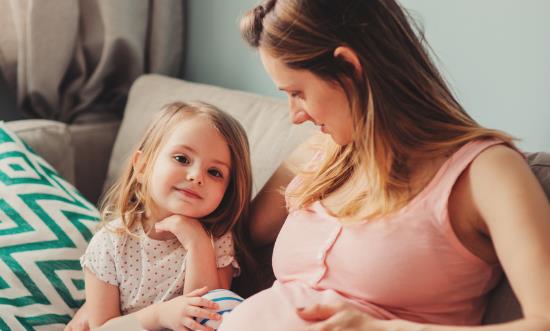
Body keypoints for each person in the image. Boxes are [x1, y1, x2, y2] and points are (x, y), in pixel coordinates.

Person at [217, 0, 550, 330]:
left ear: (348, 67)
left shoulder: (486, 173)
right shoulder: (319, 153)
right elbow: (232, 236)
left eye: (298, 92)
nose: (295, 114)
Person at [79, 101, 252, 330]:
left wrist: (197, 243)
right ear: (142, 166)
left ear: (227, 191)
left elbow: (210, 314)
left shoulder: (217, 238)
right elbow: (102, 328)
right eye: (182, 159)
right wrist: (158, 316)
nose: (196, 176)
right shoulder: (109, 243)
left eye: (214, 172)